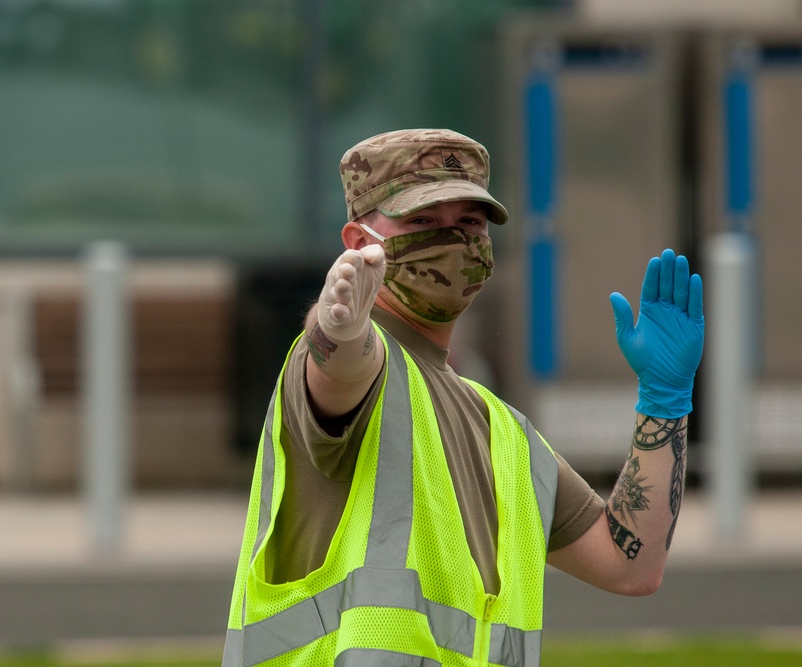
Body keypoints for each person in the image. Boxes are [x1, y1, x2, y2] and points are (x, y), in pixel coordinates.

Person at [222, 129, 704, 666]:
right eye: (422, 222)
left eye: (468, 223)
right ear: (358, 244)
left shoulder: (505, 433)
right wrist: (337, 326)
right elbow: (339, 367)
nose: (452, 241)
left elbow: (630, 564)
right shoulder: (363, 370)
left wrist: (665, 401)